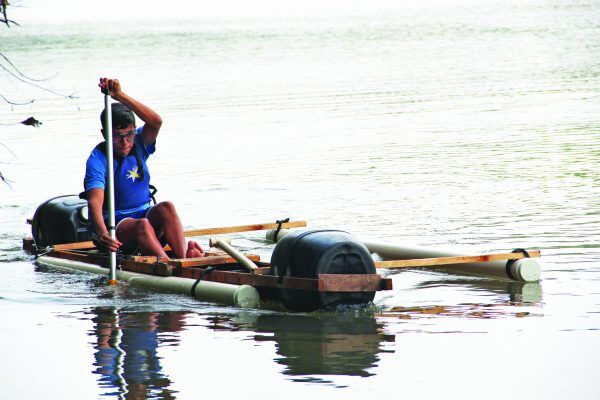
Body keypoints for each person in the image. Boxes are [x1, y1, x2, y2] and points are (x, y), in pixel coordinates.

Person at [84, 77, 204, 259]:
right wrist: (102, 233)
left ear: (134, 130)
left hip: (145, 215)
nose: (125, 142)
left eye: (129, 134)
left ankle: (184, 261)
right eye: (117, 136)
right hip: (118, 226)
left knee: (167, 207)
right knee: (143, 225)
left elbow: (156, 121)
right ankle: (168, 264)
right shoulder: (98, 159)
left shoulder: (139, 143)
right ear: (105, 134)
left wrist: (119, 95)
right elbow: (94, 202)